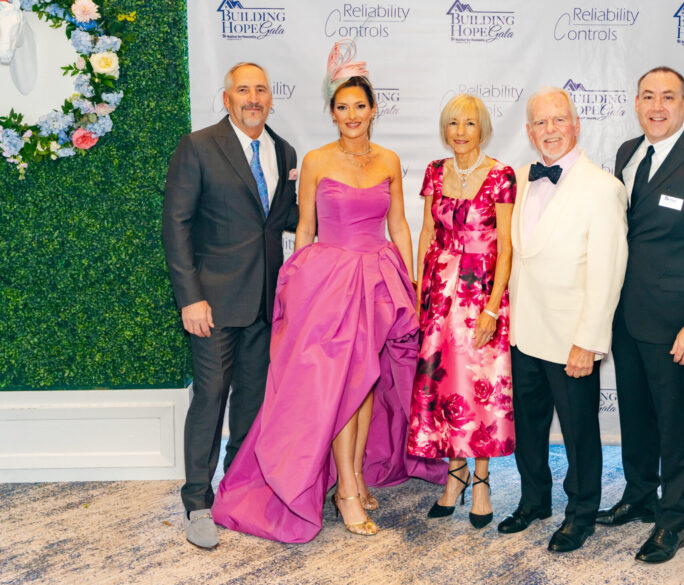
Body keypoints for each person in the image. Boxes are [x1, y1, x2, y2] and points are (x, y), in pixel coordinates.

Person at [209, 42, 445, 543]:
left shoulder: (388, 159)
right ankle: (344, 493)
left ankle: (353, 477)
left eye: (360, 105)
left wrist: (410, 284)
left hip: (378, 279)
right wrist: (300, 293)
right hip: (331, 282)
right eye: (342, 107)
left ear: (374, 109)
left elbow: (400, 226)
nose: (352, 115)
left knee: (364, 385)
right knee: (339, 385)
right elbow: (306, 231)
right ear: (332, 112)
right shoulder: (315, 160)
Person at [596, 66, 684, 564]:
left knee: (674, 424)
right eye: (648, 97)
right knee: (634, 415)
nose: (657, 106)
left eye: (668, 98)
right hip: (626, 315)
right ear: (636, 102)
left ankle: (672, 519)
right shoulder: (626, 154)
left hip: (678, 321)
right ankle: (638, 496)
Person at [162, 62, 299, 550]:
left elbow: (286, 220)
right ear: (227, 98)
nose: (253, 98)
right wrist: (190, 298)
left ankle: (235, 490)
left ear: (270, 98)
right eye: (243, 90)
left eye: (261, 89)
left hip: (264, 304)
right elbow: (175, 226)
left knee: (252, 404)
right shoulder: (198, 146)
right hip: (213, 305)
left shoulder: (285, 151)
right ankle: (197, 501)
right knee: (210, 399)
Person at [496, 87, 628, 553]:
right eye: (539, 123)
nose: (549, 130)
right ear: (529, 131)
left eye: (558, 120)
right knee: (528, 430)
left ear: (576, 124)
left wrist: (588, 341)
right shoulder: (518, 177)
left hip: (571, 339)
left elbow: (608, 272)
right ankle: (535, 500)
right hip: (525, 333)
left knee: (579, 435)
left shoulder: (604, 188)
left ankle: (581, 514)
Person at [407, 94, 516, 530]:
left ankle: (483, 481)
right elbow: (426, 235)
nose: (460, 132)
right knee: (447, 386)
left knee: (480, 387)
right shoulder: (435, 171)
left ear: (482, 128)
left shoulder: (501, 175)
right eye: (453, 123)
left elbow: (507, 247)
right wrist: (421, 294)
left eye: (469, 124)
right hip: (440, 295)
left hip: (481, 294)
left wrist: (492, 307)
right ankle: (454, 476)